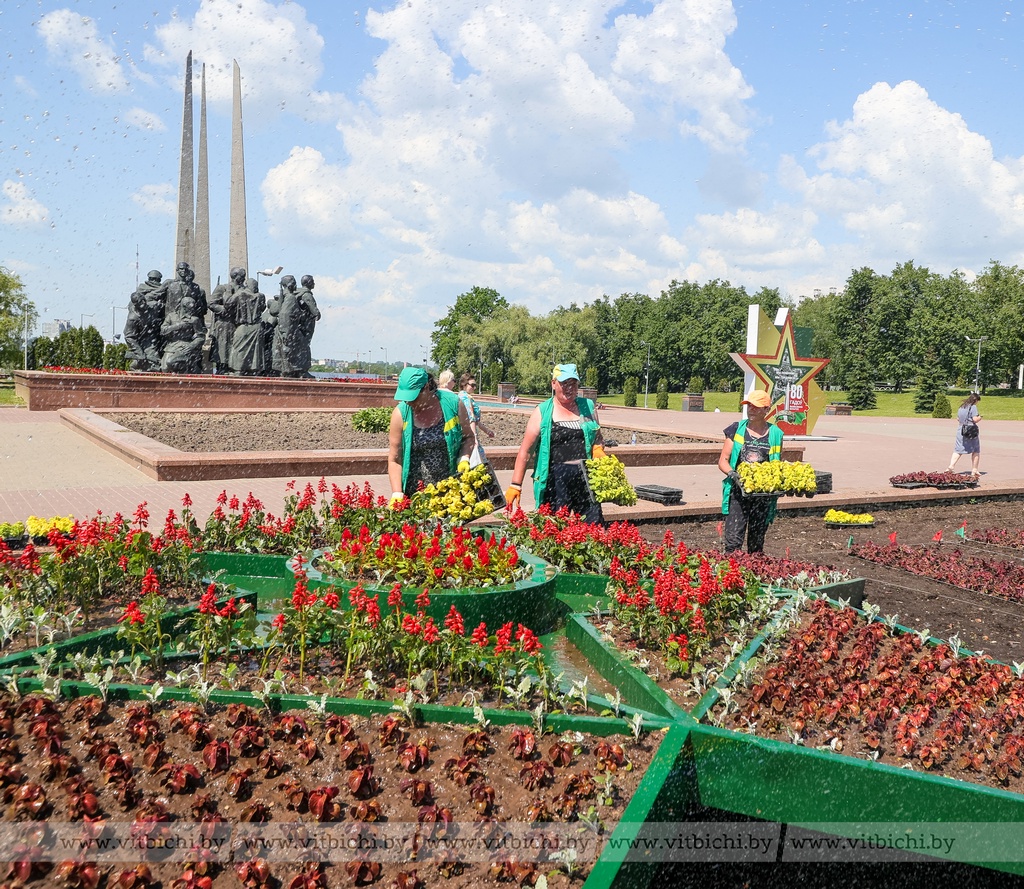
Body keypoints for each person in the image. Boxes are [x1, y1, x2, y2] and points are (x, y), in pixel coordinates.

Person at [506, 364, 606, 523]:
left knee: (594, 527)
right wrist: (515, 485)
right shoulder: (543, 411)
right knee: (554, 529)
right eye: (564, 383)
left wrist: (598, 449)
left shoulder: (588, 406)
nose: (569, 388)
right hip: (556, 480)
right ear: (553, 383)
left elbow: (597, 437)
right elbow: (526, 451)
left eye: (573, 383)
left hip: (586, 478)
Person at [388, 367, 474, 504]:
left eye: (413, 398)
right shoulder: (401, 414)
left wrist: (464, 458)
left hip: (449, 492)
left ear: (426, 387)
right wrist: (397, 493)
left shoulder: (452, 403)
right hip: (414, 495)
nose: (409, 403)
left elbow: (468, 437)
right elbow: (395, 459)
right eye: (406, 399)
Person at [718, 389, 783, 554]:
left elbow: (776, 463)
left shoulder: (775, 433)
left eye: (756, 407)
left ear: (766, 410)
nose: (751, 410)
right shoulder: (736, 429)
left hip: (762, 496)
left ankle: (753, 574)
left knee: (756, 544)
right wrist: (734, 475)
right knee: (733, 543)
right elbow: (723, 461)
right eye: (749, 406)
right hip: (738, 493)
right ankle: (732, 574)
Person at [160, 262, 207, 374]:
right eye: (181, 269)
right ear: (177, 270)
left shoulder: (195, 288)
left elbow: (201, 307)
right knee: (165, 367)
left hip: (187, 338)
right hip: (173, 322)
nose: (183, 272)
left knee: (172, 362)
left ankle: (192, 366)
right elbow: (159, 297)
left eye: (185, 269)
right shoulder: (171, 285)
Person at [124, 270, 166, 372]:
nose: (142, 304)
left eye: (143, 301)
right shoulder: (133, 318)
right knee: (146, 362)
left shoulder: (152, 306)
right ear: (135, 304)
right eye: (139, 303)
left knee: (155, 361)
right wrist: (139, 352)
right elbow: (129, 337)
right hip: (140, 339)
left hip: (153, 335)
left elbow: (164, 307)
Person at [208, 266, 246, 374]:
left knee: (237, 350)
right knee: (223, 350)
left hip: (239, 324)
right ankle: (222, 369)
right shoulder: (223, 288)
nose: (243, 278)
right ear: (234, 276)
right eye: (242, 276)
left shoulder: (245, 290)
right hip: (224, 323)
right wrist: (224, 310)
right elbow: (211, 303)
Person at [225, 277, 267, 375]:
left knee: (238, 349)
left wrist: (228, 292)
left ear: (246, 285)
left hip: (243, 327)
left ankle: (238, 370)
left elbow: (228, 303)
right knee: (255, 352)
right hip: (257, 327)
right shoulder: (261, 296)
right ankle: (253, 370)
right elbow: (263, 307)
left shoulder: (241, 294)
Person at [458, 371, 494, 467]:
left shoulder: (462, 396)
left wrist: (487, 431)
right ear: (464, 384)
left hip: (465, 434)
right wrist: (473, 438)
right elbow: (471, 419)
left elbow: (476, 421)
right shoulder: (465, 398)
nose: (474, 388)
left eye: (475, 385)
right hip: (469, 436)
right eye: (472, 385)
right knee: (477, 466)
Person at [947, 392, 982, 478]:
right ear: (975, 400)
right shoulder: (973, 407)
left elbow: (958, 419)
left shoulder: (962, 407)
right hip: (971, 431)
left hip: (961, 430)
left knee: (958, 449)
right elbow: (975, 419)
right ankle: (974, 469)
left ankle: (951, 466)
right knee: (975, 450)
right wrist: (980, 417)